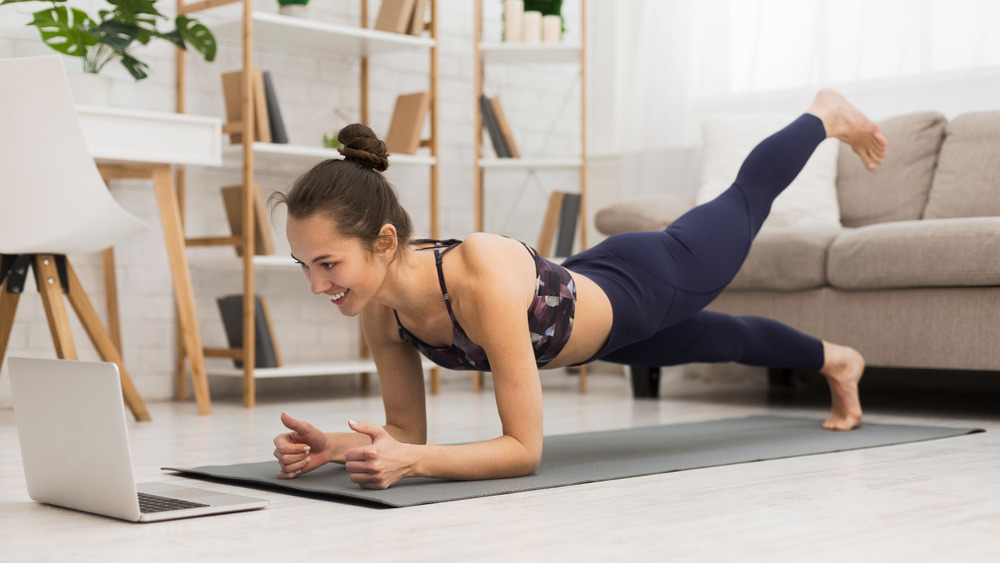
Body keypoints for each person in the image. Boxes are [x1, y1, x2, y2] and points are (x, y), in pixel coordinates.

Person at [270, 89, 887, 490]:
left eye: (327, 263)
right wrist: (335, 447)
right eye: (304, 265)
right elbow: (406, 432)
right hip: (602, 320)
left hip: (650, 278)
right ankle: (839, 359)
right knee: (725, 338)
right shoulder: (382, 311)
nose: (317, 284)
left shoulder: (475, 275)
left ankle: (824, 114)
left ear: (381, 242)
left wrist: (415, 465)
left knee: (744, 199)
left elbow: (523, 450)